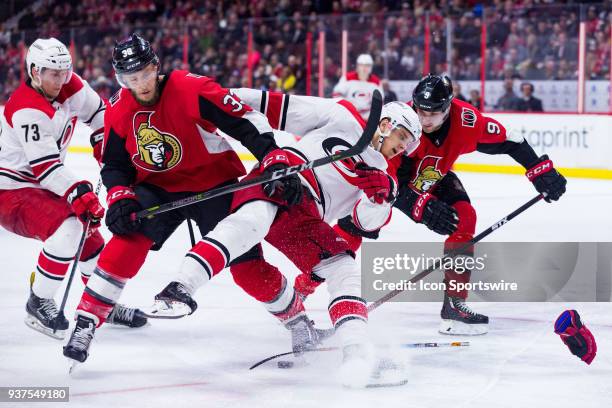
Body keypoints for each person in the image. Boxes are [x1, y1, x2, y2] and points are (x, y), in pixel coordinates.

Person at [153, 92, 421, 387]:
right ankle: (179, 287)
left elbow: (362, 223)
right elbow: (278, 107)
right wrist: (211, 102)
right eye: (403, 136)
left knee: (343, 267)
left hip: (306, 216)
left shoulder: (385, 178)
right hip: (282, 177)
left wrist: (379, 199)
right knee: (250, 226)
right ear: (385, 123)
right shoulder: (342, 115)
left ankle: (356, 351)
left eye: (408, 144)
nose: (402, 148)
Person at [62, 34, 292, 364]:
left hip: (214, 183)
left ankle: (298, 321)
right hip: (157, 188)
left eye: (143, 73)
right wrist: (120, 196)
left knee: (246, 265)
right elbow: (113, 163)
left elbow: (243, 121)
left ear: (155, 66)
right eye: (130, 77)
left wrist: (271, 153)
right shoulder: (117, 110)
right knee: (126, 240)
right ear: (120, 78)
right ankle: (85, 322)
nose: (138, 84)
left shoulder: (191, 88)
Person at [336, 74, 566, 336]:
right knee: (348, 233)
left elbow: (511, 139)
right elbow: (384, 180)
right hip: (385, 184)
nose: (425, 120)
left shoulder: (467, 121)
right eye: (421, 111)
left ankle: (454, 305)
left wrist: (539, 170)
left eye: (433, 113)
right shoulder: (403, 124)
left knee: (465, 218)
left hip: (433, 176)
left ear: (448, 108)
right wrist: (418, 205)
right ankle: (300, 296)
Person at [0, 38, 145, 340]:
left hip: (39, 186)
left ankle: (101, 304)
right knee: (70, 229)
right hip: (10, 190)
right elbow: (47, 168)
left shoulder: (70, 85)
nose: (61, 79)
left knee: (91, 240)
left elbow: (100, 115)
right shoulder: (26, 108)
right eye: (54, 73)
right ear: (35, 71)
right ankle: (38, 300)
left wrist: (106, 141)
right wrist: (79, 192)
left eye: (65, 71)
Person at [333, 54, 384, 120]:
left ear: (371, 67)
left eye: (367, 66)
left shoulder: (376, 82)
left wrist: (371, 116)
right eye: (361, 65)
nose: (364, 68)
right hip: (348, 116)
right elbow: (336, 94)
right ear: (357, 66)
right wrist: (346, 109)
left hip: (367, 118)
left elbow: (379, 103)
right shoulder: (348, 78)